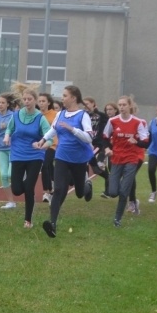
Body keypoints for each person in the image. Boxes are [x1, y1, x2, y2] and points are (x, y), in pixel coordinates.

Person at [35, 85, 94, 238]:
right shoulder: (60, 114)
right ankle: (52, 224)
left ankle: (87, 187)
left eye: (65, 95)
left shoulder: (83, 115)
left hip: (78, 159)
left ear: (73, 98)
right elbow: (53, 129)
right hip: (61, 156)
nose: (62, 98)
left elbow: (89, 137)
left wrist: (72, 129)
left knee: (80, 193)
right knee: (59, 189)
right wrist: (43, 139)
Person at [3, 86, 51, 228]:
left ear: (35, 100)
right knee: (17, 190)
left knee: (29, 187)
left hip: (35, 156)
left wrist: (41, 144)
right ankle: (28, 189)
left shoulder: (40, 118)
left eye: (29, 99)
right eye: (24, 99)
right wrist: (7, 136)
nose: (27, 101)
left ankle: (28, 220)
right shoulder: (16, 115)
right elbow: (9, 128)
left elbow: (50, 138)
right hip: (18, 154)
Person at [102, 95, 149, 227]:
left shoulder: (138, 122)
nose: (122, 107)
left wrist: (136, 142)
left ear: (130, 106)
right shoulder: (112, 121)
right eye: (120, 105)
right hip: (116, 159)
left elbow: (146, 142)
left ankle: (117, 219)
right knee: (112, 192)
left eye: (124, 105)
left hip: (131, 159)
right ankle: (122, 188)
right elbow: (104, 138)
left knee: (123, 192)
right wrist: (107, 148)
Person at [0, 92, 17, 209]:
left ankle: (23, 175)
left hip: (13, 149)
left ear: (7, 104)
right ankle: (11, 202)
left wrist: (6, 128)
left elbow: (18, 130)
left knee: (10, 174)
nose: (0, 105)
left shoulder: (14, 116)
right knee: (4, 175)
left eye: (2, 103)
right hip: (1, 150)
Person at [38, 93, 58, 204]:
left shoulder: (55, 114)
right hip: (40, 145)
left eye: (43, 101)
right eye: (39, 101)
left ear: (48, 102)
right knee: (48, 166)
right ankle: (51, 188)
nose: (41, 103)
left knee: (45, 164)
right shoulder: (36, 115)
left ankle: (46, 191)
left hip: (52, 144)